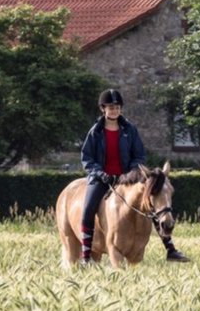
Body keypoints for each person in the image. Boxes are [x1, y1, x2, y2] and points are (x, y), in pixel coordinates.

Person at [79, 88, 190, 265]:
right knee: (87, 210)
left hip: (127, 178)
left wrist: (131, 172)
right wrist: (101, 173)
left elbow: (139, 156)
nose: (114, 110)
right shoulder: (95, 132)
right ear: (103, 109)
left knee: (151, 203)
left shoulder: (130, 129)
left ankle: (170, 249)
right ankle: (85, 255)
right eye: (110, 107)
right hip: (102, 178)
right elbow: (87, 158)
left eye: (117, 107)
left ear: (120, 108)